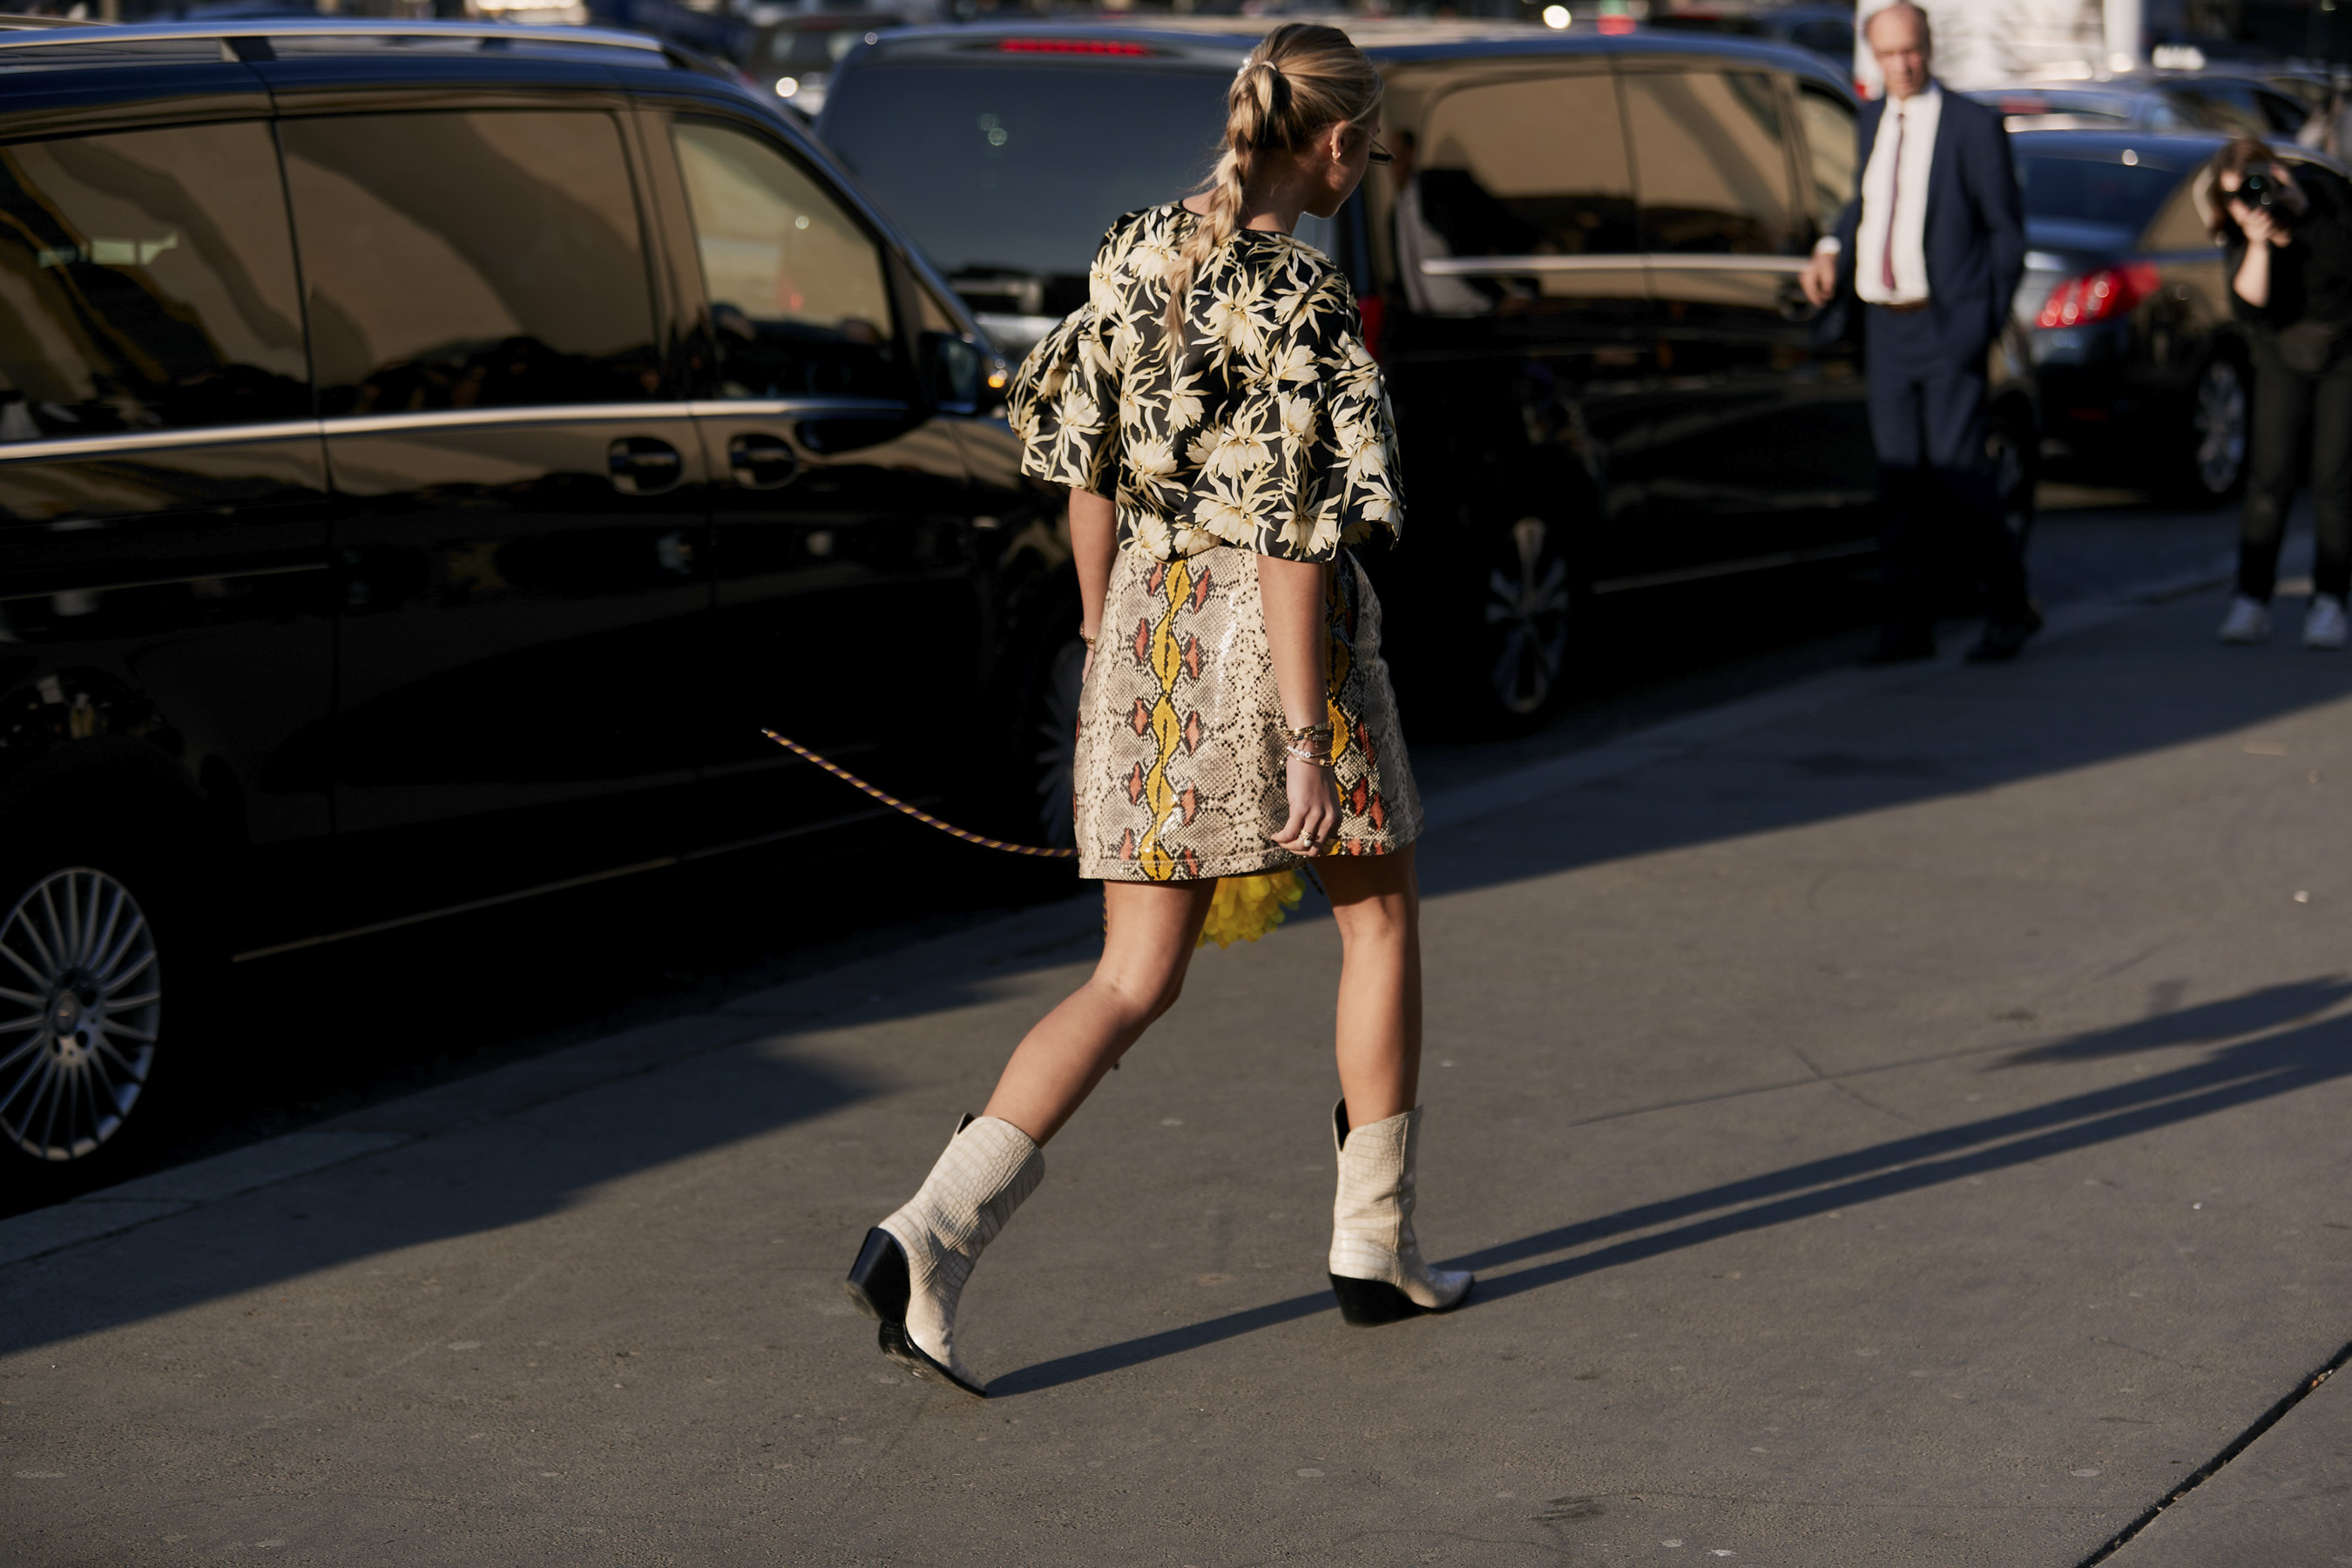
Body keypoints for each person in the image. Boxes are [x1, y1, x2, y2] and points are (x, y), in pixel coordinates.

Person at [840, 23, 1471, 1399]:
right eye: (1370, 147)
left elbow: (1085, 465)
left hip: (1145, 631)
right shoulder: (1299, 299)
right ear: (1336, 142)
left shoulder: (1133, 251)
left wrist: (1103, 640)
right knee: (1377, 918)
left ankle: (928, 1233)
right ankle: (1375, 1244)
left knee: (1130, 977)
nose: (1367, 167)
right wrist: (1303, 742)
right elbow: (1294, 537)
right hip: (1284, 649)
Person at [1801, 1, 2035, 665]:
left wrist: (1978, 323)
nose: (1902, 65)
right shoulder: (1871, 118)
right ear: (1873, 57)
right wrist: (1830, 247)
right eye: (1888, 54)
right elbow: (1865, 201)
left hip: (1946, 326)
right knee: (1898, 483)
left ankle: (2010, 607)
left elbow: (2007, 235)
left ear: (1929, 47)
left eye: (1911, 51)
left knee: (1962, 478)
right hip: (1886, 328)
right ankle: (1908, 628)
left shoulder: (1971, 126)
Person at [2209, 139, 2352, 650]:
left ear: (2276, 171)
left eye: (2255, 186)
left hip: (2342, 352)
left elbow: (2344, 263)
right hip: (2278, 355)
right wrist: (2260, 243)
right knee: (2269, 479)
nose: (2249, 200)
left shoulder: (2325, 195)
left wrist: (2303, 210)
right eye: (2234, 195)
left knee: (2333, 482)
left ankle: (2329, 602)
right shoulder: (2241, 225)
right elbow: (2250, 307)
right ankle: (2251, 600)